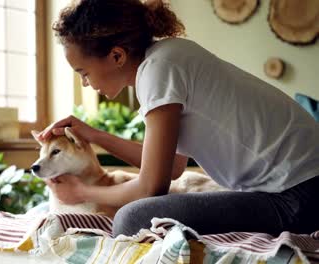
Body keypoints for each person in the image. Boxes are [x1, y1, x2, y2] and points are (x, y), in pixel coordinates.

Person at [37, 0, 319, 237]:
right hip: (302, 186)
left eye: (83, 72)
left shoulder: (158, 71)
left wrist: (83, 192)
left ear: (116, 55)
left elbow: (151, 186)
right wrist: (95, 135)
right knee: (151, 211)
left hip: (300, 194)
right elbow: (172, 167)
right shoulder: (165, 58)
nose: (85, 83)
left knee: (131, 219)